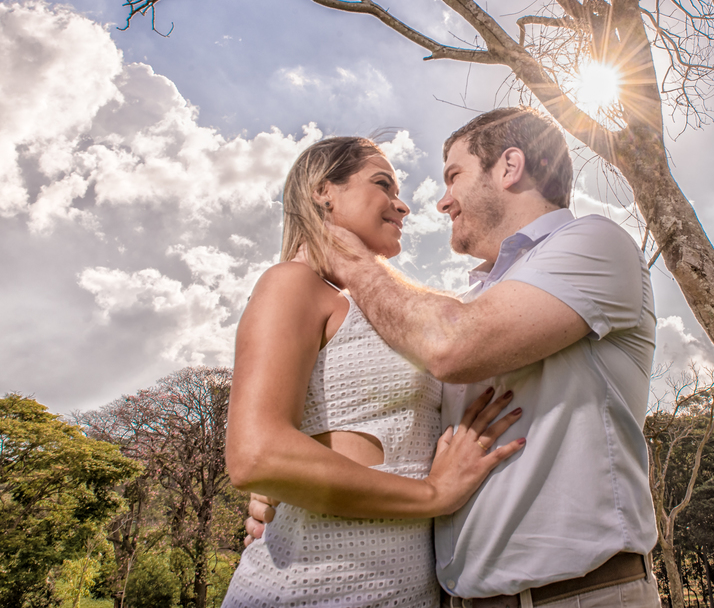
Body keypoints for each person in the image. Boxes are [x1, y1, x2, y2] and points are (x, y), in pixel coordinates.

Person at [251, 107, 661, 607]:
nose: (438, 202)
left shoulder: (593, 244)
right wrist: (294, 480)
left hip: (575, 596)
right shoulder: (467, 304)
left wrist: (351, 258)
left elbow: (449, 346)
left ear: (509, 168)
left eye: (453, 176)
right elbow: (404, 434)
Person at [222, 136, 524, 608]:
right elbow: (257, 456)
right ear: (325, 191)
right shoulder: (291, 285)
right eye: (383, 184)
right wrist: (432, 495)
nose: (402, 206)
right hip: (307, 589)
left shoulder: (382, 308)